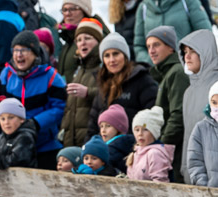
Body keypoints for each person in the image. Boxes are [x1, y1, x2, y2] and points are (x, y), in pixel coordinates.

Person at [0, 31, 66, 170]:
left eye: (24, 50)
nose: (19, 55)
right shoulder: (7, 74)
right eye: (16, 50)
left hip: (45, 144)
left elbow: (60, 107)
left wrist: (36, 123)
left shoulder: (51, 76)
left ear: (35, 53)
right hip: (14, 144)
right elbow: (0, 103)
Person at [87, 32, 158, 141]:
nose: (112, 60)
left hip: (132, 149)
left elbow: (152, 119)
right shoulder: (103, 84)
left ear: (125, 56)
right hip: (105, 151)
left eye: (116, 54)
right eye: (107, 55)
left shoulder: (142, 80)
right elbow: (93, 123)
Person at [145, 26, 189, 182]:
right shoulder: (166, 74)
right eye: (148, 46)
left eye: (156, 45)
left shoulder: (177, 72)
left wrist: (162, 146)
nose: (151, 50)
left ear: (170, 47)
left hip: (176, 151)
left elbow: (178, 115)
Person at [179, 29, 218, 182]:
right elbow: (187, 135)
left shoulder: (215, 87)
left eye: (193, 51)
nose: (186, 56)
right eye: (184, 51)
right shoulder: (188, 92)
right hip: (193, 174)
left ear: (205, 52)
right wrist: (184, 167)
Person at [59, 18, 104, 147]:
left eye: (88, 38)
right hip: (72, 140)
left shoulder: (104, 67)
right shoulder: (79, 69)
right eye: (79, 40)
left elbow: (112, 94)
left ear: (98, 41)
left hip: (92, 140)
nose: (82, 43)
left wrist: (88, 92)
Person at [133, 0, 211, 66]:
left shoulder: (188, 2)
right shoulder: (143, 7)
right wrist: (149, 62)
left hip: (185, 70)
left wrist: (187, 59)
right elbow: (139, 45)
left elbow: (205, 36)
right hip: (156, 74)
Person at [187, 81, 218, 197]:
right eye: (214, 102)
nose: (217, 107)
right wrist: (205, 188)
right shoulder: (201, 128)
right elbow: (195, 162)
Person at [57, 0, 110, 84]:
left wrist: (86, 92)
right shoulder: (67, 39)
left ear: (84, 11)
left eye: (73, 9)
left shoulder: (99, 38)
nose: (67, 13)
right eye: (64, 9)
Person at [0, 97, 37, 169]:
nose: (6, 122)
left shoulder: (25, 137)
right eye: (3, 119)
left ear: (21, 119)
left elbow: (15, 160)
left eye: (11, 117)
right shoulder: (3, 137)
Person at [126, 106, 174, 182]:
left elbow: (160, 184)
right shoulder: (135, 153)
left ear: (153, 133)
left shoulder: (155, 154)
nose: (140, 134)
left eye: (145, 129)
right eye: (137, 130)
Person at [97, 104, 135, 173]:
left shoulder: (113, 148)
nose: (103, 130)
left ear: (119, 128)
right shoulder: (108, 145)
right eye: (101, 126)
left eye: (108, 126)